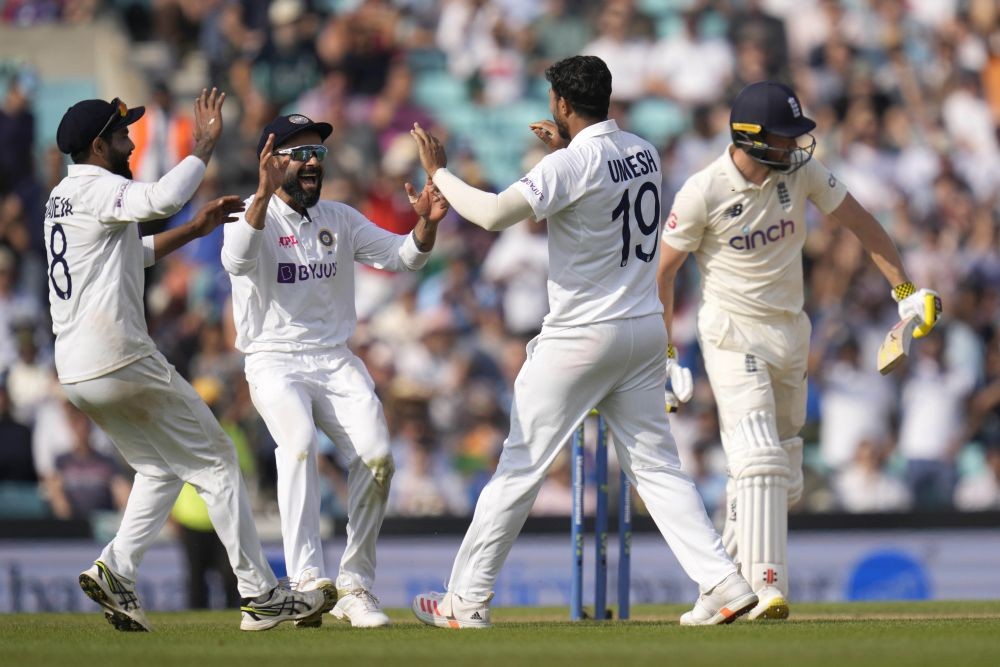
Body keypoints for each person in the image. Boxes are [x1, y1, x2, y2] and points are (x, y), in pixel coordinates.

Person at [408, 55, 757, 628]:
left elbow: (495, 215)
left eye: (553, 101)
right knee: (658, 469)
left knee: (520, 466)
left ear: (562, 104)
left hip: (579, 336)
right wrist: (561, 154)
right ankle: (724, 581)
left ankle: (464, 602)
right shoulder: (644, 150)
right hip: (643, 329)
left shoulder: (570, 163)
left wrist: (440, 173)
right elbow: (596, 191)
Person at [656, 80, 942, 620]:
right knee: (757, 453)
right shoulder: (702, 191)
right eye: (784, 138)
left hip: (791, 332)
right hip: (731, 331)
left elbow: (861, 223)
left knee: (779, 478)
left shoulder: (801, 172)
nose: (795, 147)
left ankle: (716, 592)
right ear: (750, 138)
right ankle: (766, 587)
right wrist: (666, 354)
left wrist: (905, 293)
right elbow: (664, 273)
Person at [46, 90, 327, 632]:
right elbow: (157, 201)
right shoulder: (103, 187)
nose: (131, 142)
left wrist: (196, 232)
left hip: (77, 370)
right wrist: (203, 146)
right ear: (98, 145)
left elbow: (134, 253)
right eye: (122, 134)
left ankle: (116, 571)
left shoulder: (64, 197)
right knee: (219, 460)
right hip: (119, 357)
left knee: (159, 467)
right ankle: (261, 593)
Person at [221, 112, 448, 628]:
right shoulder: (249, 216)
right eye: (298, 154)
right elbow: (236, 261)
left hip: (334, 358)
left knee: (378, 459)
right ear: (270, 162)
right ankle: (304, 582)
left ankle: (353, 586)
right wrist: (260, 193)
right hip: (273, 358)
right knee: (297, 442)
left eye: (317, 155)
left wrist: (427, 223)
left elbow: (404, 259)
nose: (310, 163)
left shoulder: (340, 218)